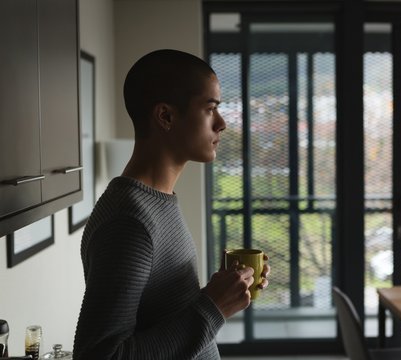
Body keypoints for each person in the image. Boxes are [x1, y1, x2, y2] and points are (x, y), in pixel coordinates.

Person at [73, 49, 269, 359]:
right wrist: (213, 306)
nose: (221, 124)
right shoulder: (128, 222)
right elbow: (101, 355)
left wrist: (223, 290)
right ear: (166, 116)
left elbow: (162, 312)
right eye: (210, 108)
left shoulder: (157, 201)